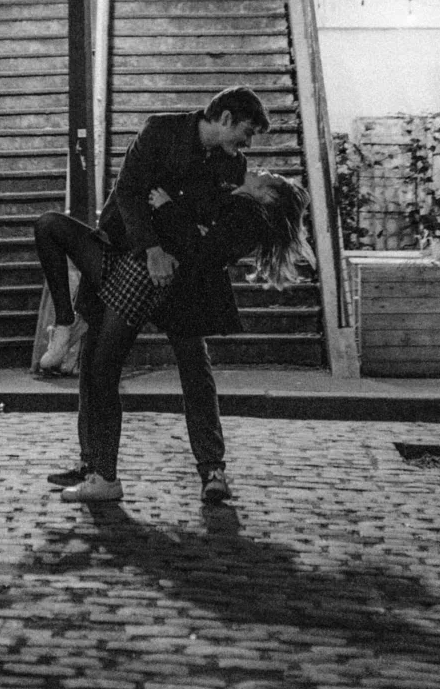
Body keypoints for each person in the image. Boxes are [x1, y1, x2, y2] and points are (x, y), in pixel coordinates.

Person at [33, 87, 284, 504]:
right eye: (247, 131)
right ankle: (94, 463)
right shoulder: (161, 131)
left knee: (193, 365)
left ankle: (211, 468)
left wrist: (174, 222)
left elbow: (210, 228)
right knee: (97, 360)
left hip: (182, 277)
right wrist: (152, 248)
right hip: (128, 255)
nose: (248, 144)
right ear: (224, 118)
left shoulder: (234, 165)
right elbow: (129, 191)